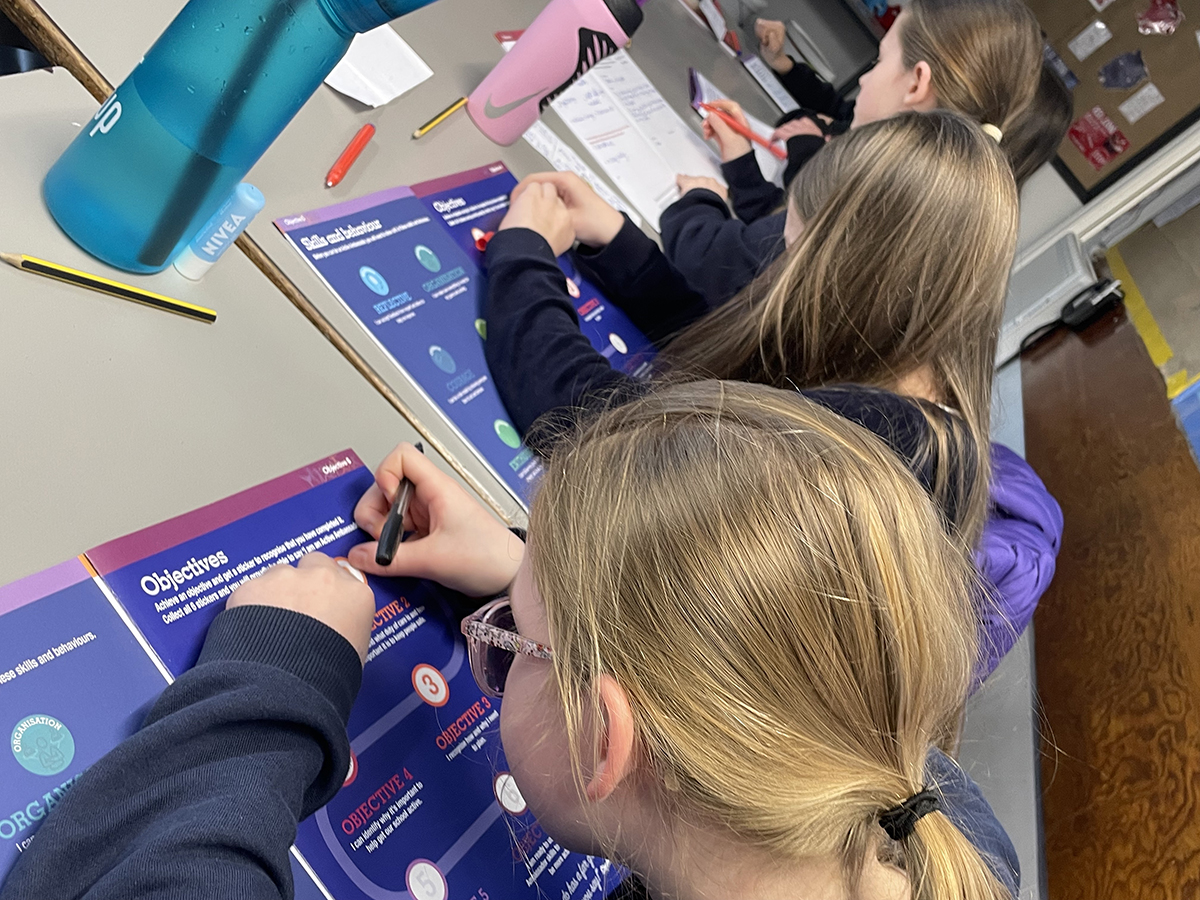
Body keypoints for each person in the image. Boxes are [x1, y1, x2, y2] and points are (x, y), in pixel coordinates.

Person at [0, 383, 1022, 899]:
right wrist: (525, 572)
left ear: (604, 738)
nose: (497, 645)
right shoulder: (932, 825)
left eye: (516, 641)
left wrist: (272, 678)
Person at [483, 111, 1060, 680]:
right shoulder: (909, 377)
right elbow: (733, 359)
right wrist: (618, 241)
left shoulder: (846, 452)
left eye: (791, 248)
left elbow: (604, 432)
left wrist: (523, 251)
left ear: (840, 271)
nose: (778, 267)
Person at [665, 0, 1045, 310]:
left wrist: (700, 200)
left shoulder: (868, 193)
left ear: (916, 84)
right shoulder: (926, 199)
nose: (864, 78)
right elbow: (773, 240)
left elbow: (718, 266)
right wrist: (740, 163)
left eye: (880, 61)